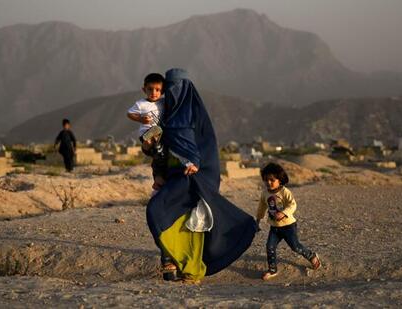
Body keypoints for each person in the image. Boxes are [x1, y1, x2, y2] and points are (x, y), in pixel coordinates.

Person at [145, 68, 257, 284]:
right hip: (170, 177)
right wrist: (157, 169)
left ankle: (190, 269)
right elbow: (153, 147)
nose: (174, 91)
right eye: (170, 87)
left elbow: (206, 150)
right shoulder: (162, 115)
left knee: (185, 221)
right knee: (163, 215)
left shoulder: (196, 117)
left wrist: (196, 164)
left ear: (188, 89)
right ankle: (170, 264)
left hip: (192, 178)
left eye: (178, 86)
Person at [256, 162, 321, 280]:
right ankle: (272, 270)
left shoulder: (285, 192)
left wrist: (283, 213)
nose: (268, 183)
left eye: (272, 180)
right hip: (274, 228)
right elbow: (261, 207)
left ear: (279, 180)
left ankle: (311, 256)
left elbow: (293, 205)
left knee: (295, 247)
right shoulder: (265, 194)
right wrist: (258, 220)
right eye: (266, 180)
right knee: (269, 247)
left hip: (288, 226)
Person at [127, 73, 167, 191]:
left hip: (159, 136)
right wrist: (140, 119)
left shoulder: (163, 102)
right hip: (147, 132)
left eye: (157, 90)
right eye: (150, 89)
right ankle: (147, 143)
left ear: (162, 91)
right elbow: (129, 114)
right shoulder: (141, 104)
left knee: (158, 155)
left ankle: (158, 180)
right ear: (144, 89)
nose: (154, 92)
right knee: (155, 133)